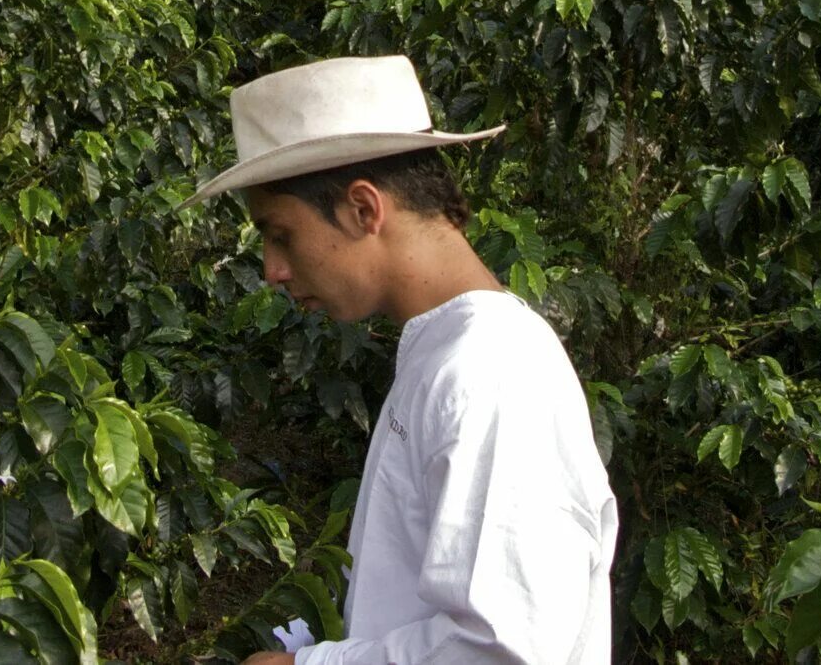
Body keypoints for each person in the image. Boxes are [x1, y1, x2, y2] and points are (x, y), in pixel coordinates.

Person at [193, 54, 618, 665]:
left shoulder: (487, 372)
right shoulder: (446, 354)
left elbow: (506, 649)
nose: (272, 270)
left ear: (365, 209)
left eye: (280, 233)